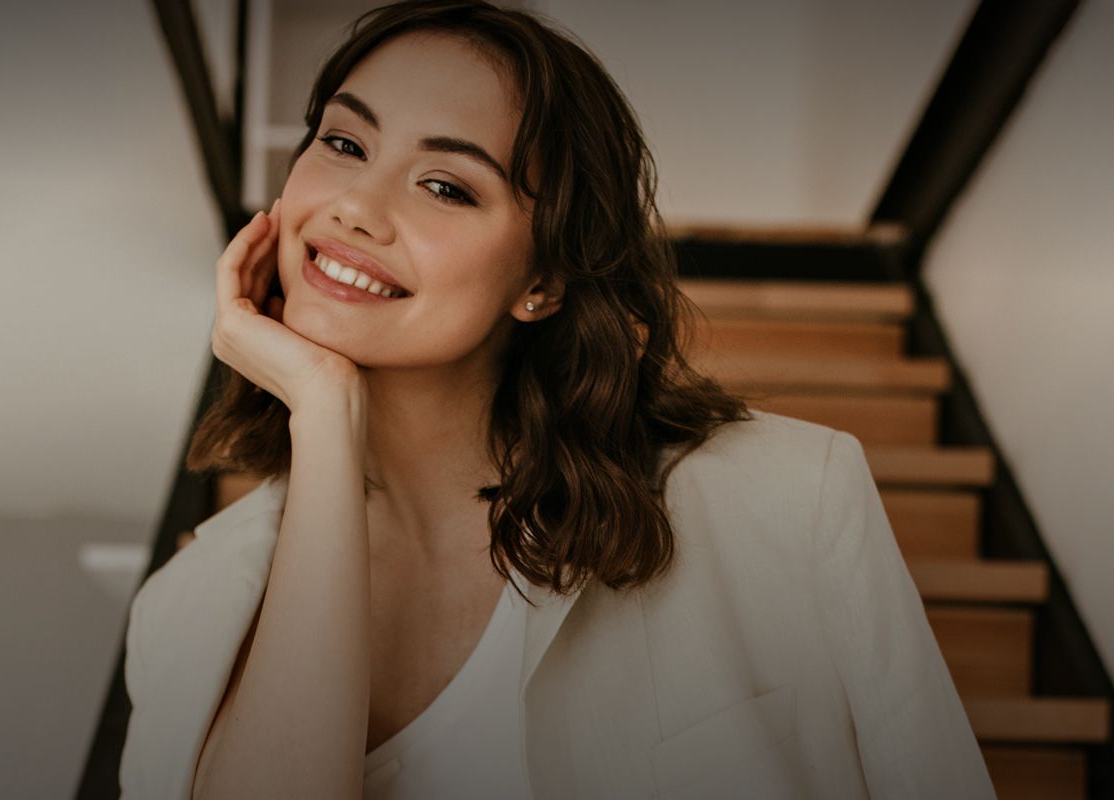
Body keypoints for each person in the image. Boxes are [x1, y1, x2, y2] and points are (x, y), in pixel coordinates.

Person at [118, 1, 996, 798]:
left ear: (541, 279)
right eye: (344, 144)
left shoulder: (793, 498)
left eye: (447, 186)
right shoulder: (187, 606)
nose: (355, 207)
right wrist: (321, 408)